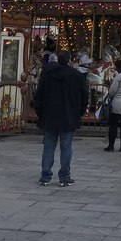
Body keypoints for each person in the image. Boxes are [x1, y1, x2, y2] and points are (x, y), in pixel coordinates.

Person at [33, 50, 88, 186]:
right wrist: (79, 112)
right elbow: (84, 97)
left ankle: (45, 175)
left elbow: (38, 96)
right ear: (69, 61)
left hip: (50, 115)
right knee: (66, 146)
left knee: (49, 146)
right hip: (69, 115)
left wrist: (40, 112)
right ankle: (64, 176)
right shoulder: (77, 75)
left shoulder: (47, 75)